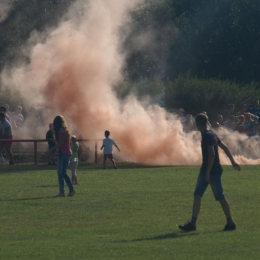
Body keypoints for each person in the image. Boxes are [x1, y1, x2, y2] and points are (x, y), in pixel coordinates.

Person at [179, 113, 240, 232]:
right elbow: (225, 147)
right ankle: (192, 224)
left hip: (212, 172)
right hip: (206, 170)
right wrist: (233, 162)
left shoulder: (207, 136)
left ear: (197, 124)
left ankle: (230, 222)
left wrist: (207, 173)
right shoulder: (212, 133)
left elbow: (211, 155)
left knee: (220, 197)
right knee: (197, 195)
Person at [52, 115, 75, 197]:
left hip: (65, 153)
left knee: (63, 172)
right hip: (62, 152)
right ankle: (62, 192)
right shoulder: (62, 130)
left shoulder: (61, 130)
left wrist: (51, 150)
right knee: (59, 173)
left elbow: (61, 142)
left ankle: (71, 189)